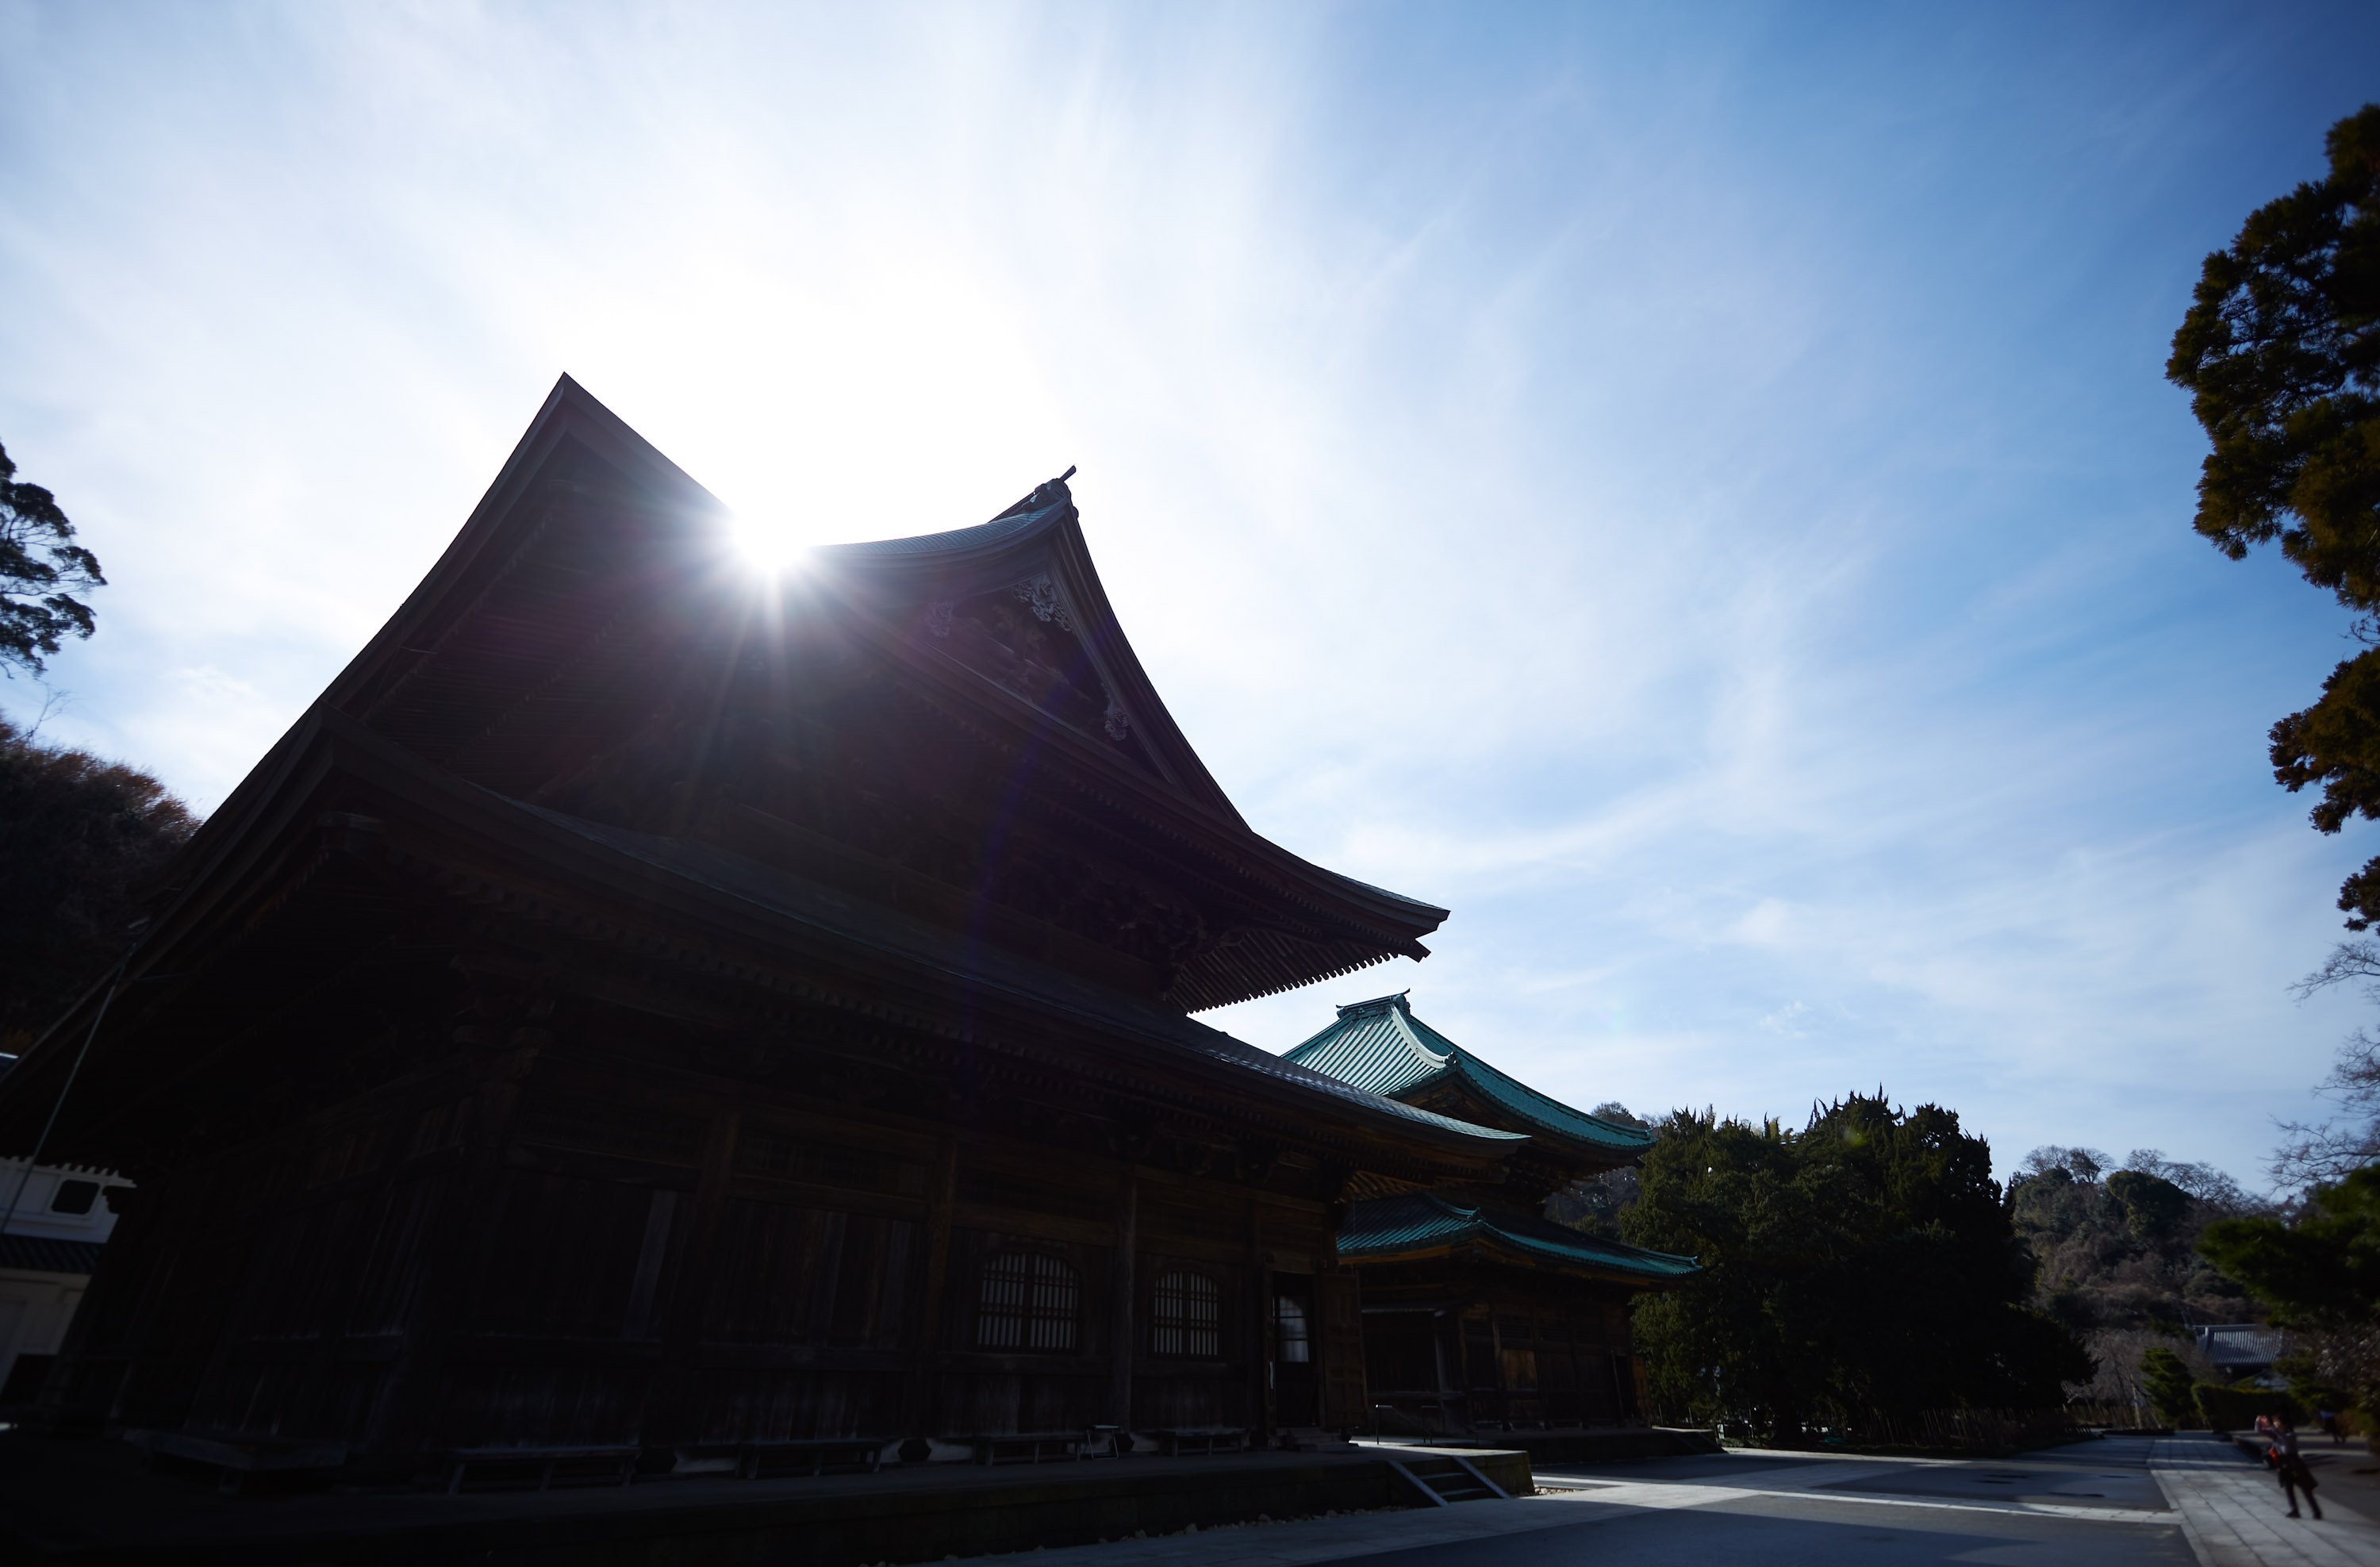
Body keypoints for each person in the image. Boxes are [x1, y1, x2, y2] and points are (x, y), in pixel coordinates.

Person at [2274, 1426, 2323, 1520]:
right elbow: (2261, 1431)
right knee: (2288, 1489)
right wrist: (2259, 1422)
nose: (2276, 1424)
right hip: (2285, 1465)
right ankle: (2294, 1510)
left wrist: (2274, 1430)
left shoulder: (2291, 1435)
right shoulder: (2277, 1435)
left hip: (2295, 1465)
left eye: (2277, 1422)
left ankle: (2316, 1511)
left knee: (2305, 1489)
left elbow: (2286, 1444)